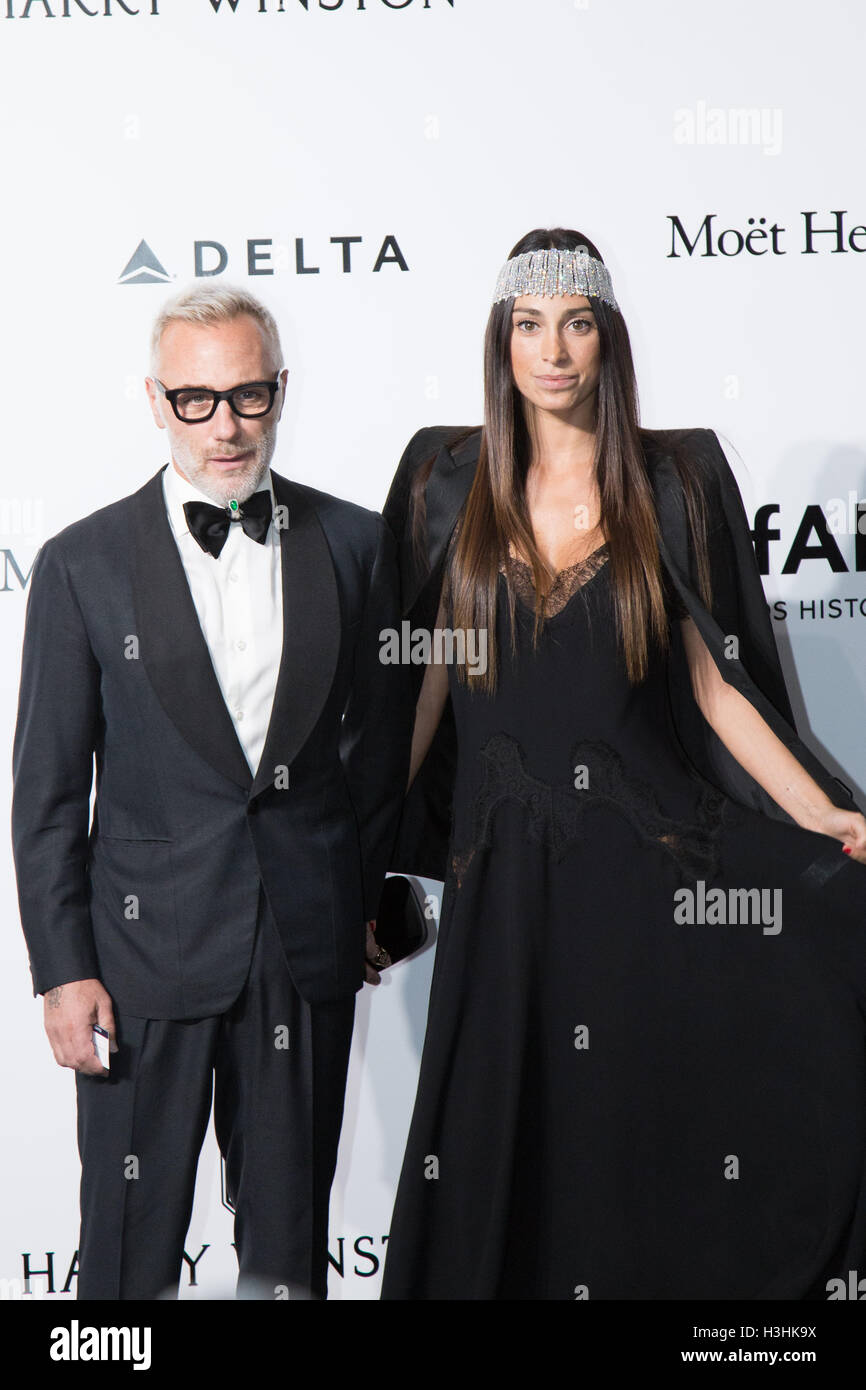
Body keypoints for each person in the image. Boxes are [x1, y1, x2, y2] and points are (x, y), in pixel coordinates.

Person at [378, 228, 866, 1300]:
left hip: (645, 874)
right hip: (499, 879)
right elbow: (417, 695)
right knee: (501, 1136)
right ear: (499, 341)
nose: (552, 350)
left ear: (608, 339)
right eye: (528, 324)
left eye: (577, 321)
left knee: (632, 1141)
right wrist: (364, 857)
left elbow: (715, 688)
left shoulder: (669, 476)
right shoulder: (439, 481)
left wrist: (829, 815)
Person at [11, 283, 411, 1300]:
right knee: (123, 1254)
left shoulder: (356, 546)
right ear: (155, 400)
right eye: (196, 399)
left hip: (303, 952)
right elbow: (49, 793)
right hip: (140, 961)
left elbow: (376, 762)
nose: (225, 426)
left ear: (281, 392)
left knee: (286, 1259)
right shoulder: (79, 565)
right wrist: (63, 970)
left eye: (247, 395)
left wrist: (362, 908)